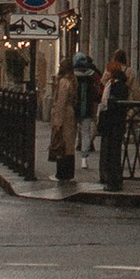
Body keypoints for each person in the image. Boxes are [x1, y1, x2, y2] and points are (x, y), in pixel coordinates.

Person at [96, 51, 133, 196]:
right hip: (117, 122)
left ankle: (112, 179)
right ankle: (112, 178)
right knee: (113, 151)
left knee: (111, 152)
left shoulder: (114, 86)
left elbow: (107, 101)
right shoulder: (122, 81)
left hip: (112, 123)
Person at [46, 51, 80, 189]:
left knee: (62, 144)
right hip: (70, 114)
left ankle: (62, 173)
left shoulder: (63, 82)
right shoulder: (73, 80)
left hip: (64, 115)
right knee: (69, 145)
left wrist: (57, 123)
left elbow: (61, 102)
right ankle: (68, 173)